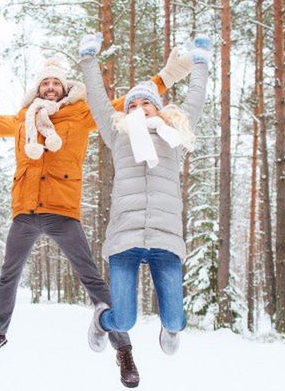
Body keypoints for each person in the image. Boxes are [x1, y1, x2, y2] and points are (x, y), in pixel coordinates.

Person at [0, 55, 190, 388]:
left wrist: (166, 76)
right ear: (38, 88)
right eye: (45, 83)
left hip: (63, 210)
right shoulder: (22, 118)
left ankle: (124, 349)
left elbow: (125, 101)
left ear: (64, 88)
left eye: (55, 83)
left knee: (92, 279)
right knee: (8, 276)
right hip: (26, 210)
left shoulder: (81, 113)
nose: (50, 87)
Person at [79, 33, 210, 355]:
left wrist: (201, 62)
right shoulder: (118, 135)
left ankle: (172, 328)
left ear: (158, 108)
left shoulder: (173, 134)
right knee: (122, 320)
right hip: (125, 238)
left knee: (176, 318)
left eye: (145, 103)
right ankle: (101, 321)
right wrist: (88, 59)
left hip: (166, 238)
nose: (139, 108)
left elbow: (196, 98)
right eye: (132, 105)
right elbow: (97, 99)